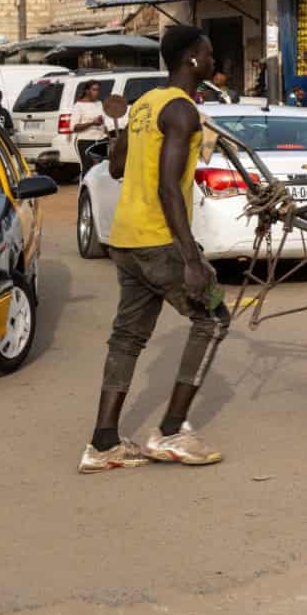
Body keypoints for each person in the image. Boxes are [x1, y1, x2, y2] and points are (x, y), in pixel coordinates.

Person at [78, 25, 229, 473]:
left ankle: (103, 443)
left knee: (127, 337)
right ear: (193, 60)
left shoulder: (146, 105)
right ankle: (170, 431)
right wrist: (191, 258)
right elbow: (168, 189)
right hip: (159, 242)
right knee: (215, 317)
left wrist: (123, 129)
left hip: (125, 239)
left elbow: (117, 165)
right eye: (210, 54)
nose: (214, 62)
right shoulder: (181, 110)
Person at [69, 80, 106, 168]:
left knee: (101, 169)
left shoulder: (99, 103)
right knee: (88, 169)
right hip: (86, 141)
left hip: (101, 140)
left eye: (98, 90)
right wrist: (92, 123)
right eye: (94, 90)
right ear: (87, 91)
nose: (96, 92)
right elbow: (74, 127)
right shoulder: (79, 105)